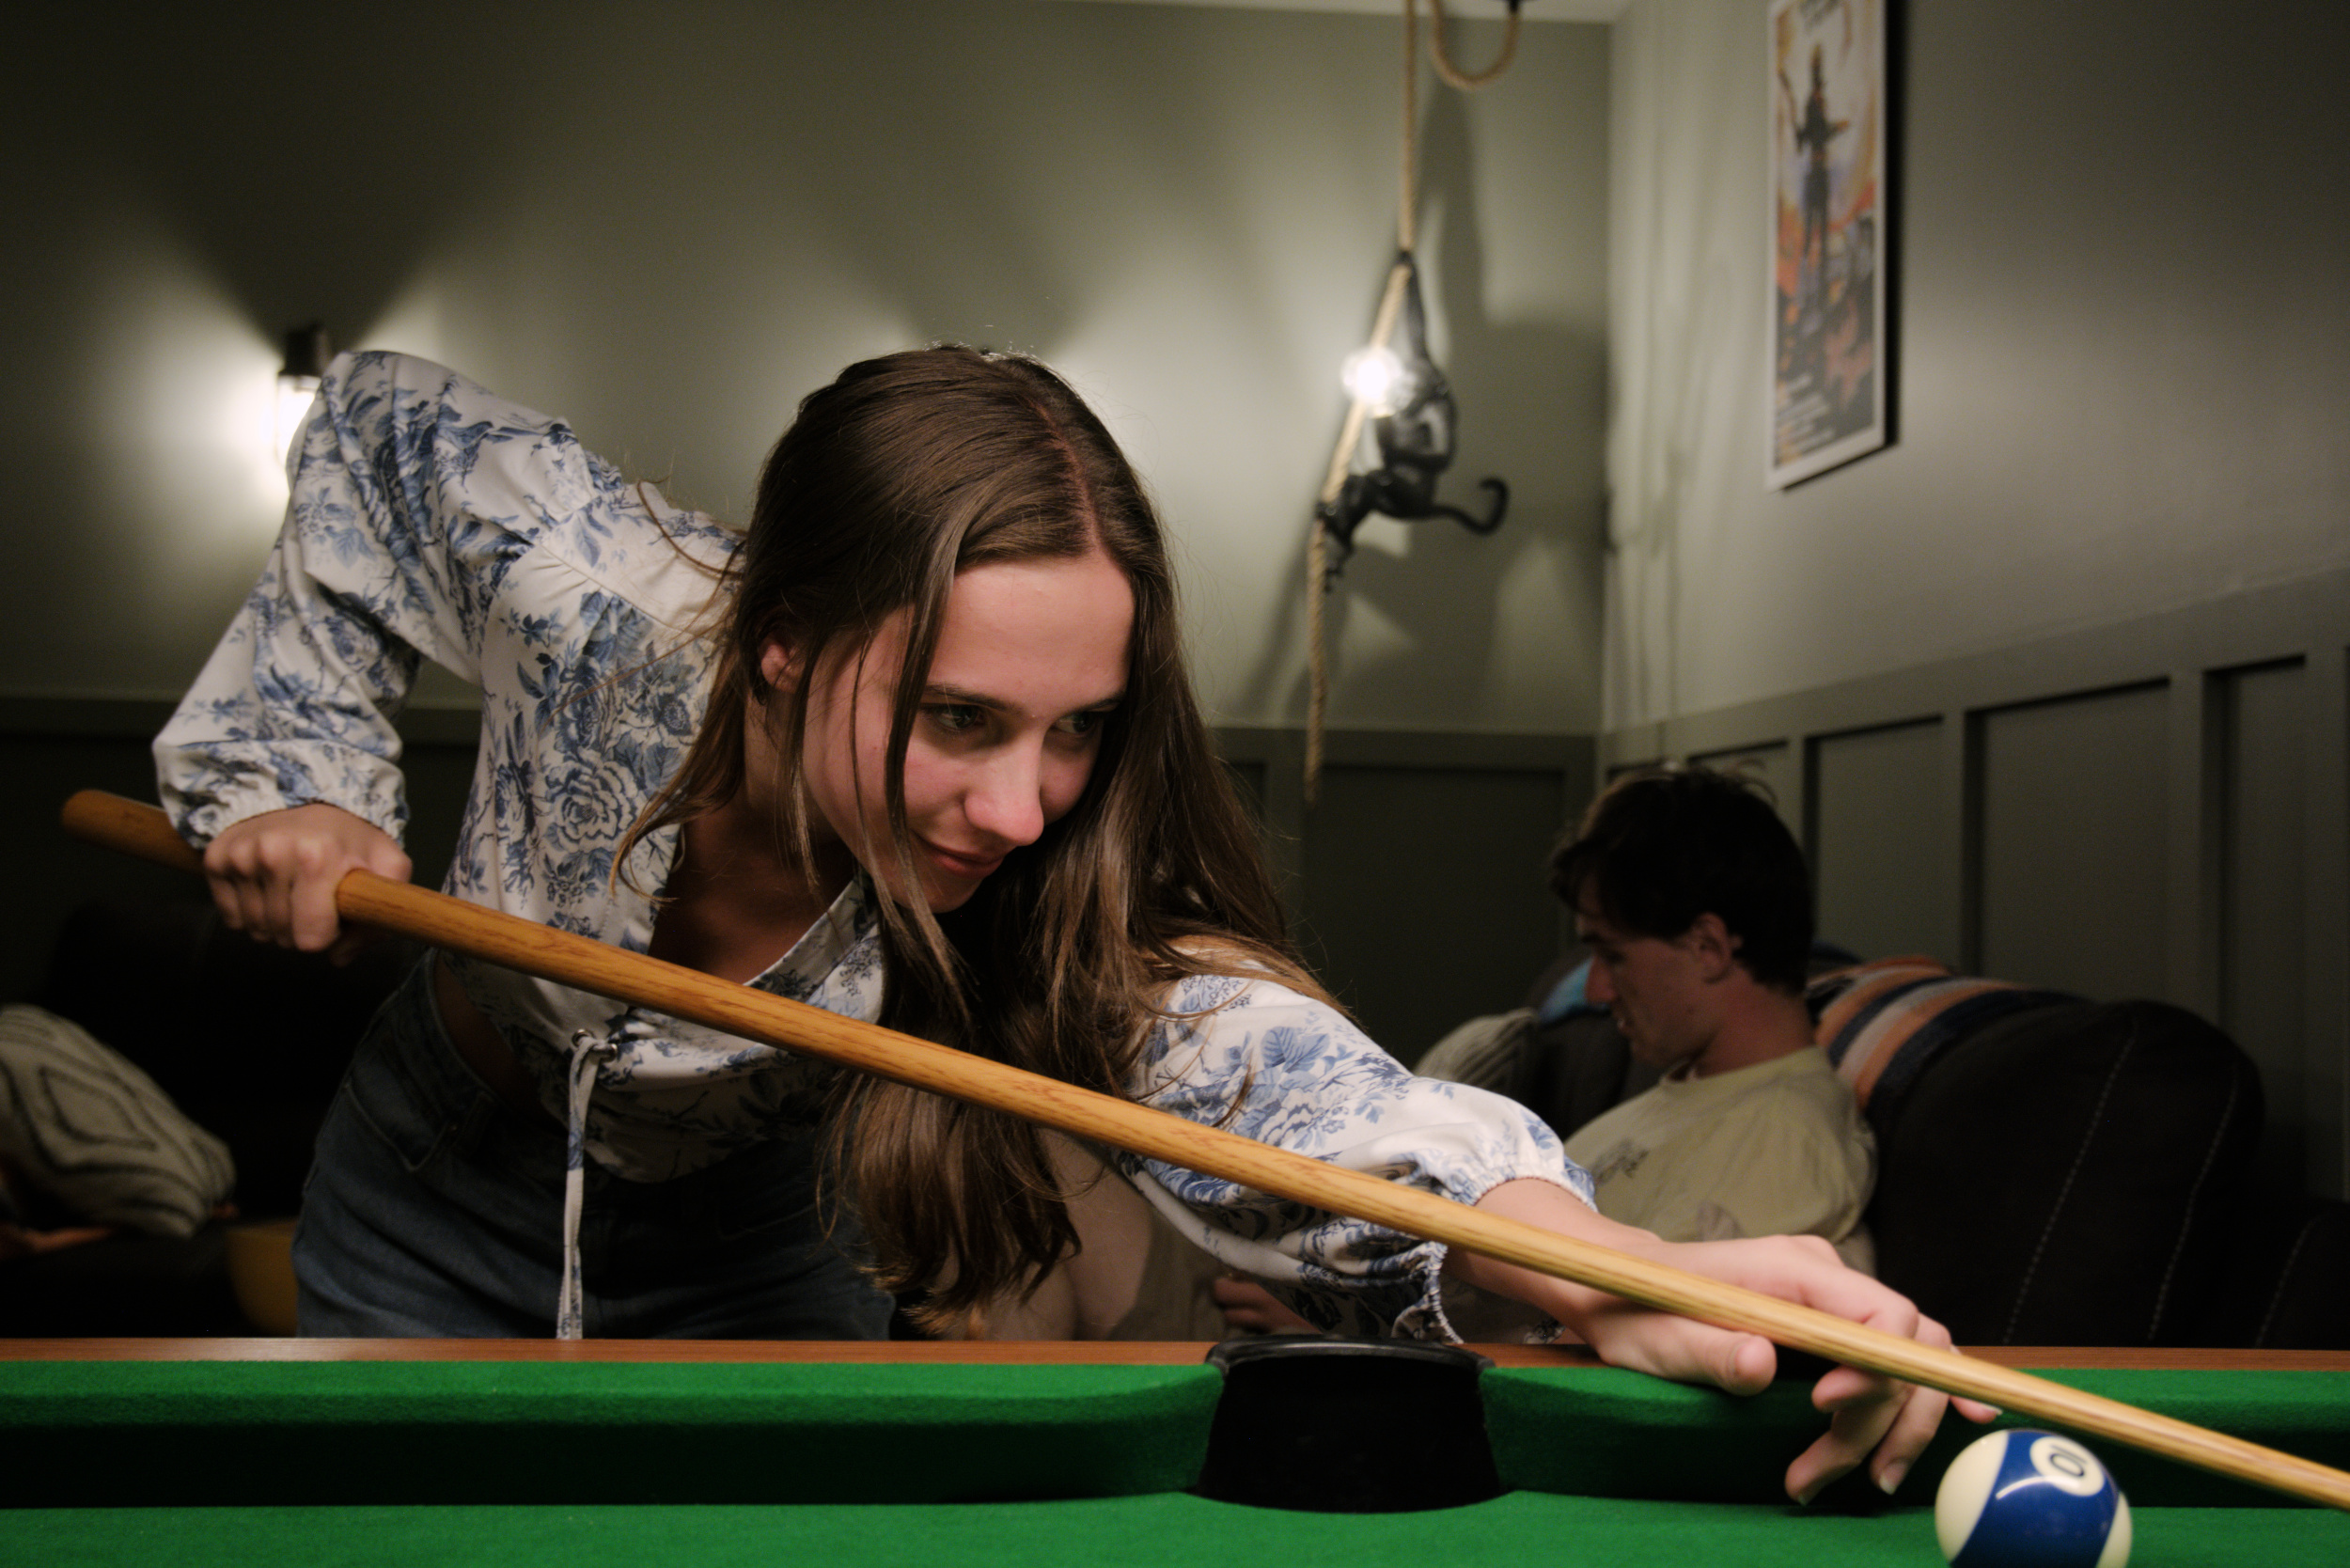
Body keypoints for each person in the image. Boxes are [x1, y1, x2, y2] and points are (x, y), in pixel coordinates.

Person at [157, 347, 1982, 1501]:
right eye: (958, 717)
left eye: (1075, 729)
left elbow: (1285, 1081)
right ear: (781, 642)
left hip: (755, 1240)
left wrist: (1593, 1263)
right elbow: (372, 425)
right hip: (435, 1178)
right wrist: (298, 777)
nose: (1024, 806)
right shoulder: (595, 588)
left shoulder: (1038, 881)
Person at [1547, 768, 1875, 1269]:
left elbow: (1647, 1306)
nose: (1595, 991)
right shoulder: (1687, 1097)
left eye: (1613, 956)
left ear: (1708, 948)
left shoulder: (1782, 1135)